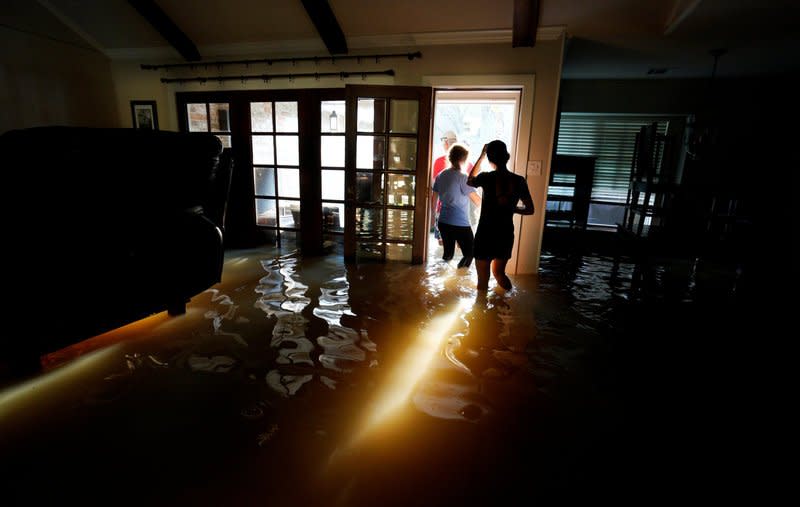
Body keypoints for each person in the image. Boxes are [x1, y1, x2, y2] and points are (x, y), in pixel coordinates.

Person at [467, 140, 534, 291]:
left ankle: (482, 313)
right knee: (499, 274)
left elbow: (469, 180)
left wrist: (481, 156)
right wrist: (513, 208)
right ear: (507, 157)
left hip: (485, 233)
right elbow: (530, 210)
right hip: (504, 233)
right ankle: (511, 303)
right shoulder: (519, 180)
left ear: (490, 160)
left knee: (483, 282)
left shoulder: (486, 177)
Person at [432, 143, 481, 268]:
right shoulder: (463, 178)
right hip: (460, 223)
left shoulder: (441, 175)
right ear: (464, 159)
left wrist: (435, 218)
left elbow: (434, 200)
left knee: (448, 255)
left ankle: (441, 278)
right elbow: (477, 201)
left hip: (443, 221)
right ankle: (459, 278)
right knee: (470, 254)